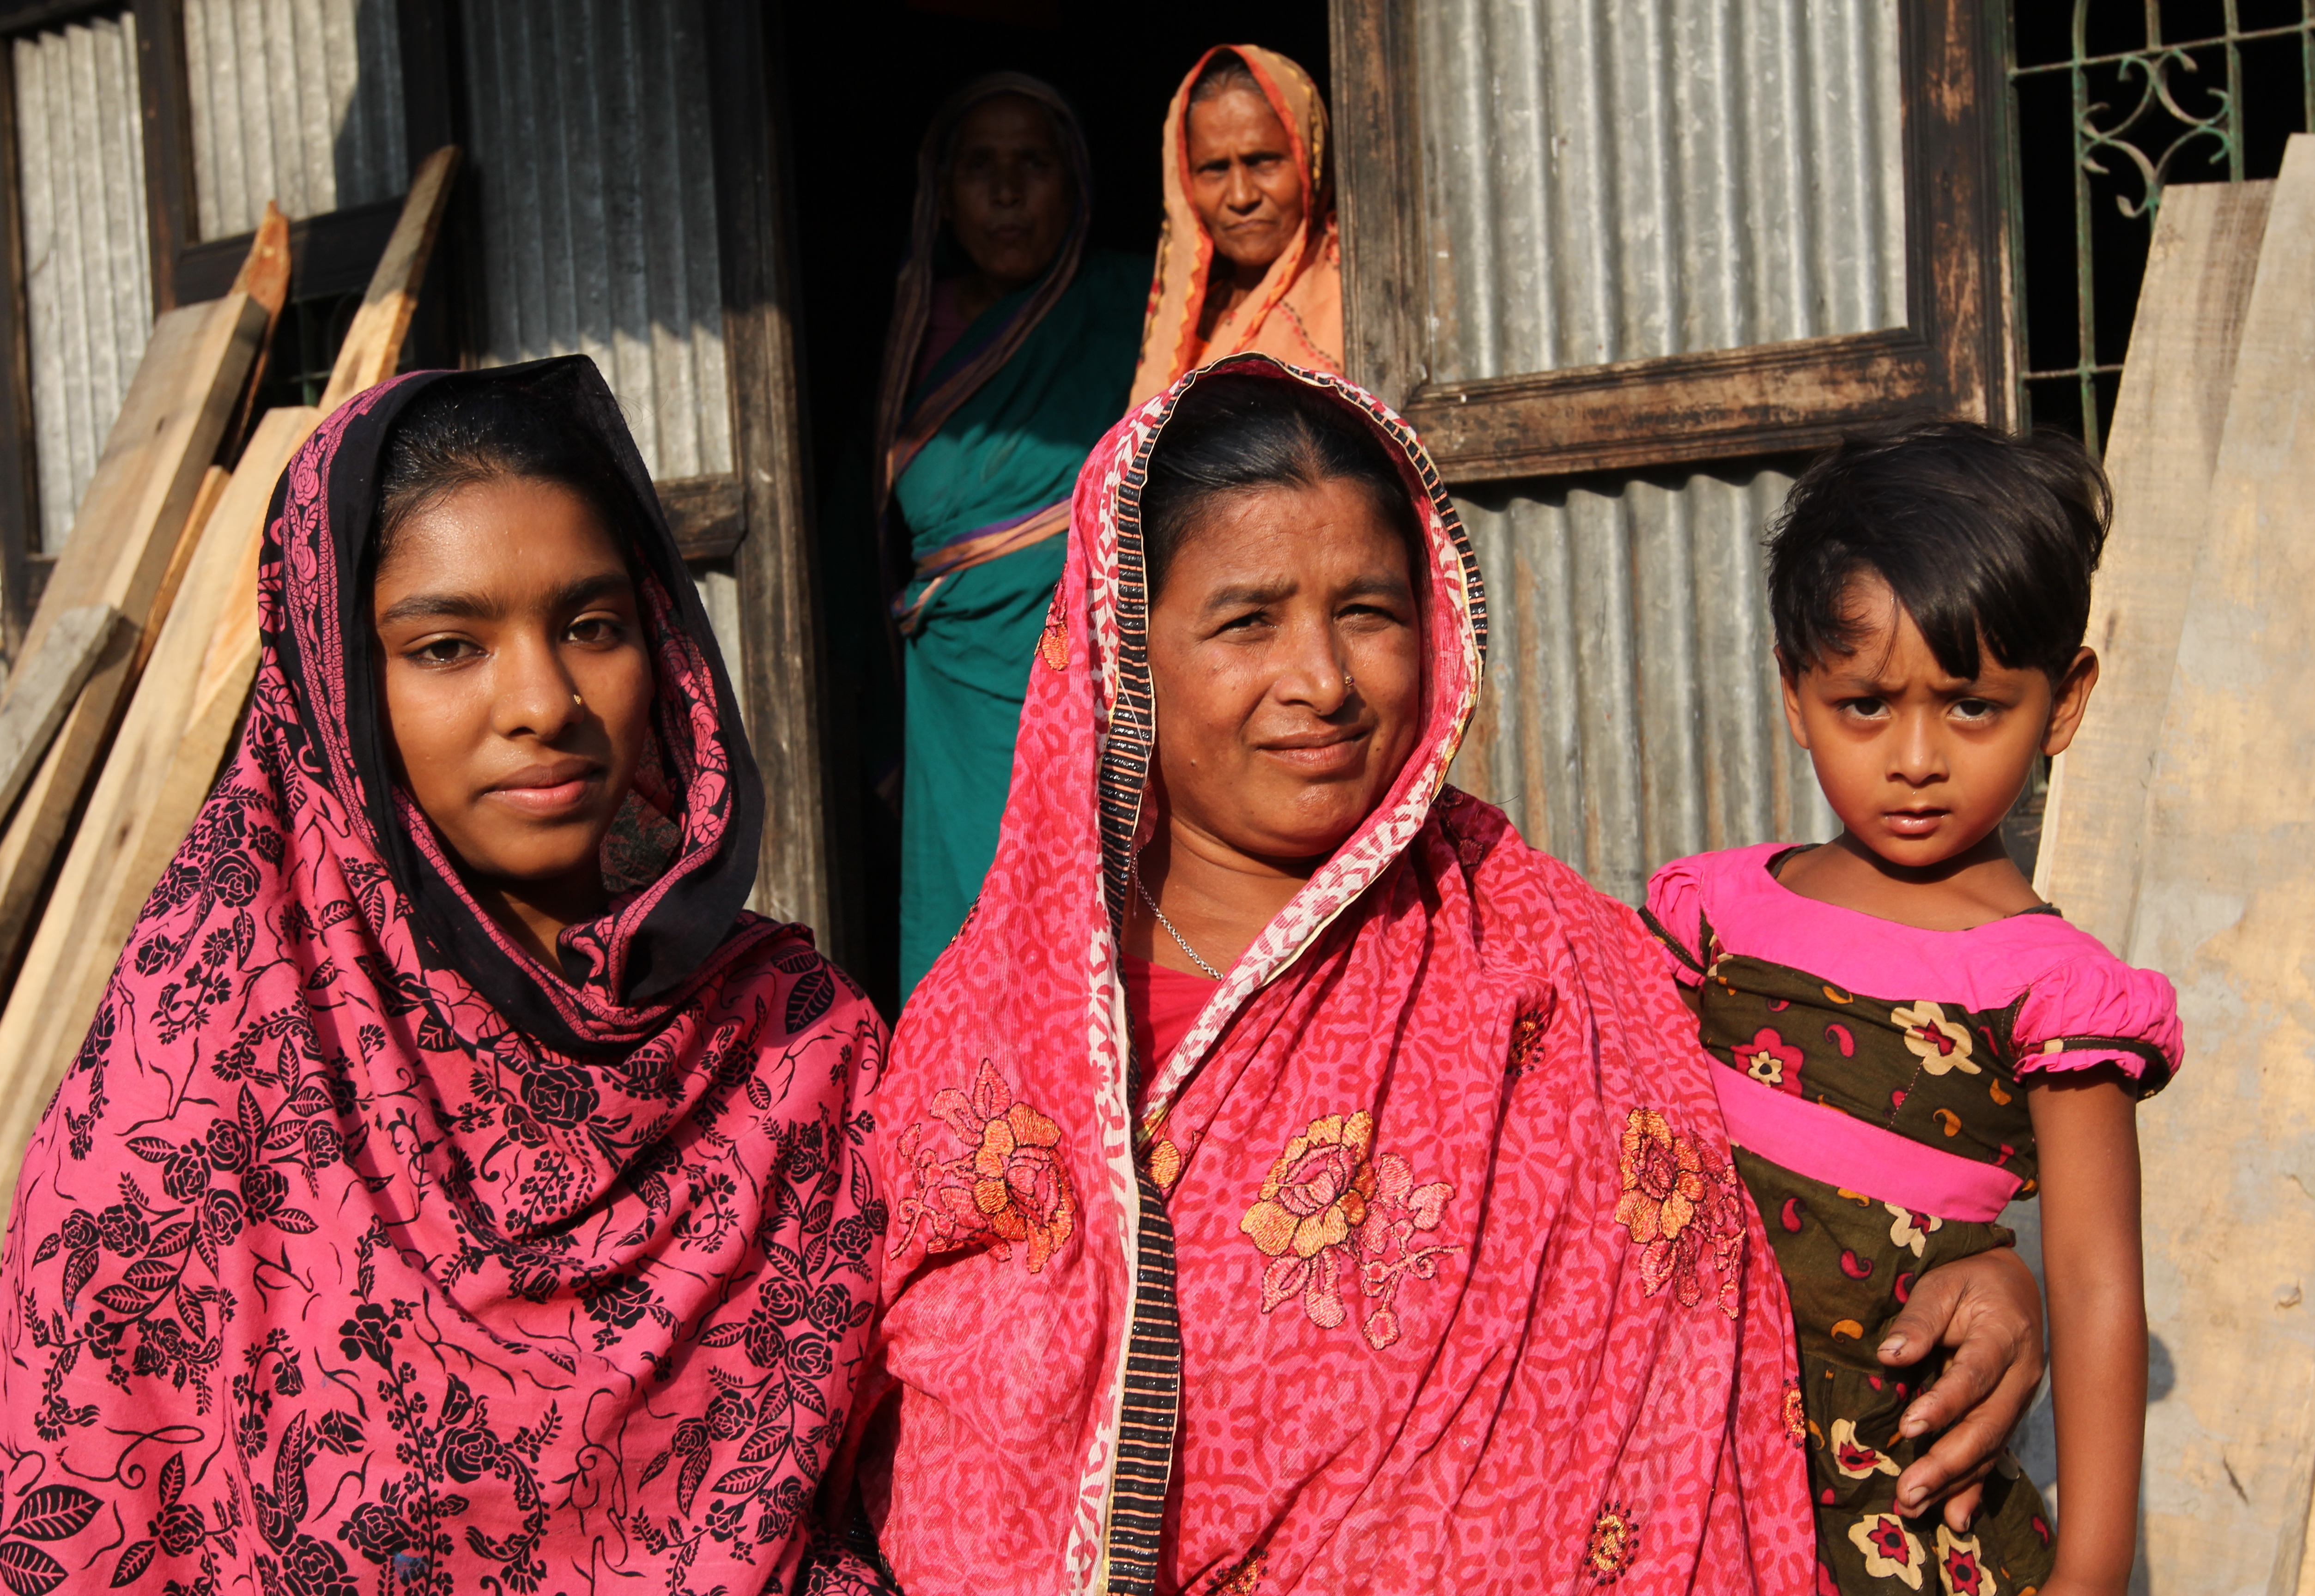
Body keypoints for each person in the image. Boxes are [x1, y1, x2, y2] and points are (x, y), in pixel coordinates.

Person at [826, 358, 2054, 1593]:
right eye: (1248, 621)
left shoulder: (1543, 949)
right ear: (1124, 652)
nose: (1323, 681)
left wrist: (1980, 1266)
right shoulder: (995, 1032)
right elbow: (924, 1413)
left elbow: (1785, 1160)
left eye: (1367, 611)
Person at [0, 359, 886, 1594]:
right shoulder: (179, 1115)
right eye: (448, 646)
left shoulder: (800, 1052)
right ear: (339, 688)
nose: (544, 702)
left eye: (592, 627)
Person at [1643, 422, 2178, 1594]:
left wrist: (2089, 1574)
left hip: (1901, 1506)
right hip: (1684, 1476)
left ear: (2064, 700)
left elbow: (2092, 1288)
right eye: (1866, 705)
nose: (1918, 758)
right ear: (1794, 692)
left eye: (1972, 705)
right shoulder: (1714, 914)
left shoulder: (2050, 988)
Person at [875, 75, 1150, 998]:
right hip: (949, 690)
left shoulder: (1129, 308)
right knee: (965, 922)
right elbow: (858, 536)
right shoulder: (911, 332)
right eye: (980, 168)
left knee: (1083, 922)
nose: (1005, 192)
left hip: (1083, 676)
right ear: (942, 196)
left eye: (1032, 165)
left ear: (1074, 186)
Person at [1130, 45, 1342, 403]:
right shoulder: (1188, 327)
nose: (1242, 197)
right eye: (1214, 169)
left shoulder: (1354, 293)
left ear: (1310, 161)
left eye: (1263, 161)